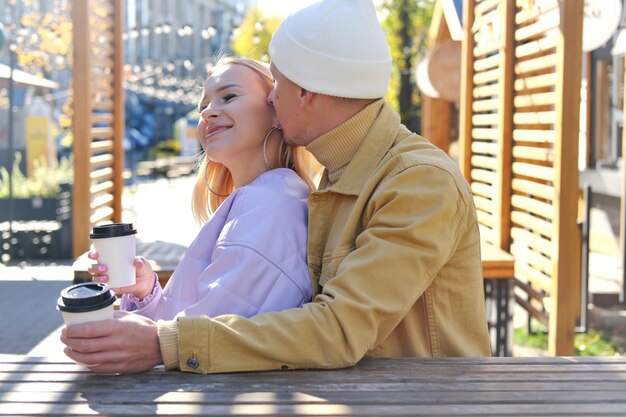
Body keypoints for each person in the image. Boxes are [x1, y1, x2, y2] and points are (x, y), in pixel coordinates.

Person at [61, 0, 491, 374]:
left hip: (428, 402)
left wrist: (163, 343)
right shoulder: (339, 176)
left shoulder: (417, 182)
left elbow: (339, 329)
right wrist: (152, 301)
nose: (270, 98)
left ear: (305, 90)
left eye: (278, 82)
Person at [89, 56, 315, 320]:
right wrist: (145, 292)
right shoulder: (263, 199)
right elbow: (196, 333)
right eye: (203, 107)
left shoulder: (272, 205)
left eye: (228, 97)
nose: (207, 113)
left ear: (278, 110)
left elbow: (202, 340)